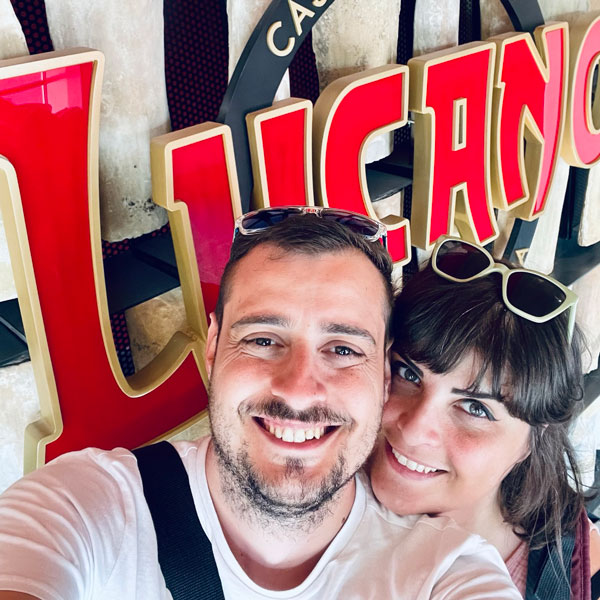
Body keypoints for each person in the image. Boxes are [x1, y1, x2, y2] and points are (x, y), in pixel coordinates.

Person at [0, 209, 521, 599]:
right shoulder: (83, 505)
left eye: (343, 349)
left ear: (383, 376)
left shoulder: (445, 571)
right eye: (263, 339)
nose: (298, 389)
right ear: (212, 348)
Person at [369, 235, 598, 599]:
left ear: (531, 440)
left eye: (475, 408)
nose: (413, 430)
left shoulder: (578, 562)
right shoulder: (311, 499)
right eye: (407, 374)